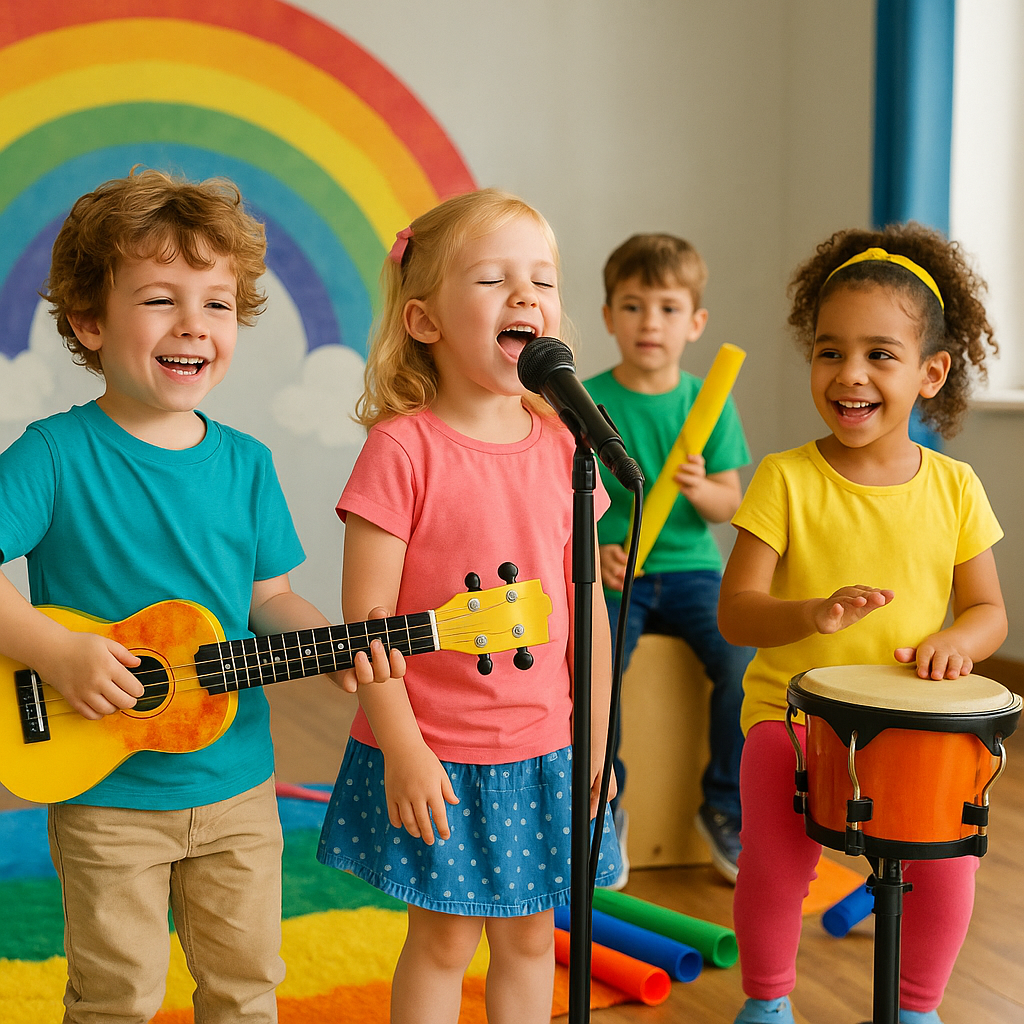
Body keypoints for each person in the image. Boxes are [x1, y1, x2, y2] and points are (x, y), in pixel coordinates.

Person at [0, 169, 358, 1024]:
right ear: (90, 322)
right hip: (105, 791)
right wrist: (57, 652)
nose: (194, 324)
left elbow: (270, 599)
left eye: (217, 304)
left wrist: (332, 644)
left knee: (247, 987)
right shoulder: (54, 455)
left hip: (237, 785)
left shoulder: (248, 466)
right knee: (116, 996)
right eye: (161, 300)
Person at [316, 188, 621, 1024]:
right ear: (424, 320)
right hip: (437, 750)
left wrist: (596, 737)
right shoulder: (402, 449)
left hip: (546, 748)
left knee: (531, 938)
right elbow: (370, 625)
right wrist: (404, 747)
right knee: (445, 940)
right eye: (493, 280)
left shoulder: (566, 446)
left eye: (542, 280)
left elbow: (585, 613)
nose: (526, 296)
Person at [718, 224, 1008, 1024]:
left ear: (931, 372)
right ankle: (767, 1002)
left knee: (949, 867)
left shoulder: (955, 488)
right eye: (830, 351)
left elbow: (989, 612)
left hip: (912, 729)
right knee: (775, 865)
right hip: (791, 717)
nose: (850, 373)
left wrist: (956, 641)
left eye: (880, 354)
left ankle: (917, 1009)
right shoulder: (784, 479)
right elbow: (736, 612)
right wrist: (809, 613)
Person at [583, 233, 752, 884]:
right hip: (616, 571)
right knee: (596, 675)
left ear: (695, 322)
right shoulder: (584, 403)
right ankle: (607, 805)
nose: (649, 323)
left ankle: (724, 805)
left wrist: (701, 488)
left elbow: (729, 504)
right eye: (632, 306)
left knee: (742, 664)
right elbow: (558, 504)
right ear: (609, 317)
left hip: (691, 570)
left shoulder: (707, 402)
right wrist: (596, 550)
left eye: (668, 308)